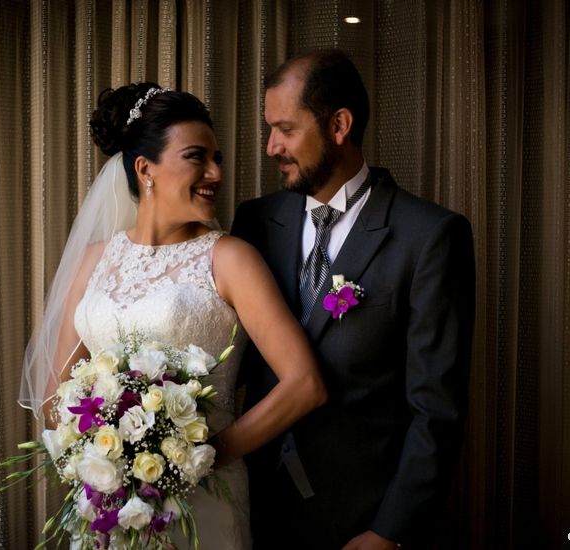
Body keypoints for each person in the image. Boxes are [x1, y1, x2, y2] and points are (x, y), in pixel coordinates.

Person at [19, 82, 327, 549]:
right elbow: (53, 398)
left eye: (217, 158)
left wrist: (196, 456)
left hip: (205, 501)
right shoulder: (95, 259)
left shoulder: (230, 259)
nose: (215, 173)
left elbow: (305, 384)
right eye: (196, 157)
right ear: (146, 169)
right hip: (113, 507)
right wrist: (107, 455)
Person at [231, 50, 475, 549]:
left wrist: (390, 531)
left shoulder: (429, 236)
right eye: (268, 128)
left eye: (285, 129)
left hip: (360, 522)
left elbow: (437, 409)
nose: (270, 146)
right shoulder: (254, 223)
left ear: (339, 125)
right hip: (253, 511)